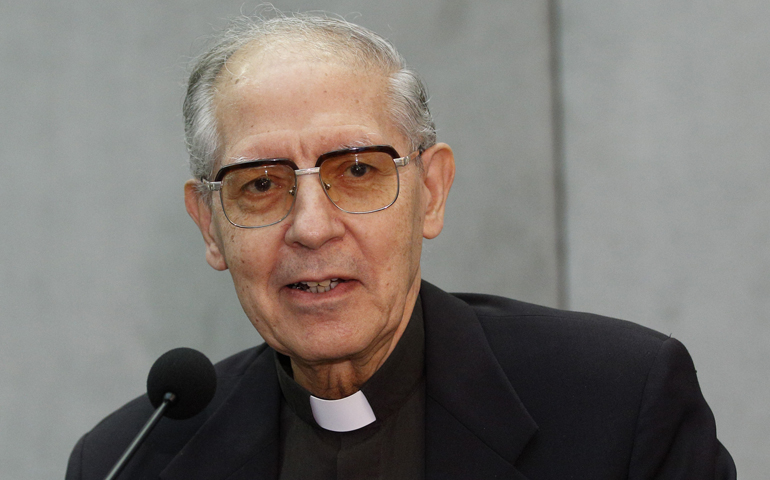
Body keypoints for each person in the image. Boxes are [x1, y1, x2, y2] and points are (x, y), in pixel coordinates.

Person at [66, 12, 735, 480]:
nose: (312, 226)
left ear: (433, 191)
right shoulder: (128, 462)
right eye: (260, 184)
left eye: (357, 171)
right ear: (210, 225)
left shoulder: (617, 406)